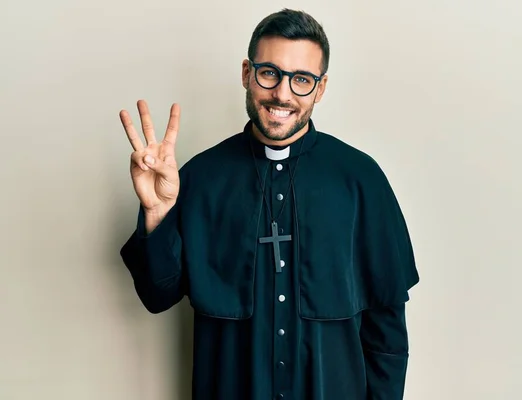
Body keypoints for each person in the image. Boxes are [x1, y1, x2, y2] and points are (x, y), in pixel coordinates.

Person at [119, 8, 419, 400]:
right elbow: (157, 297)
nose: (282, 93)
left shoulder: (361, 179)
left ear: (321, 88)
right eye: (269, 73)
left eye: (302, 80)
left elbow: (387, 330)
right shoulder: (199, 177)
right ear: (247, 73)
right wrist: (158, 215)